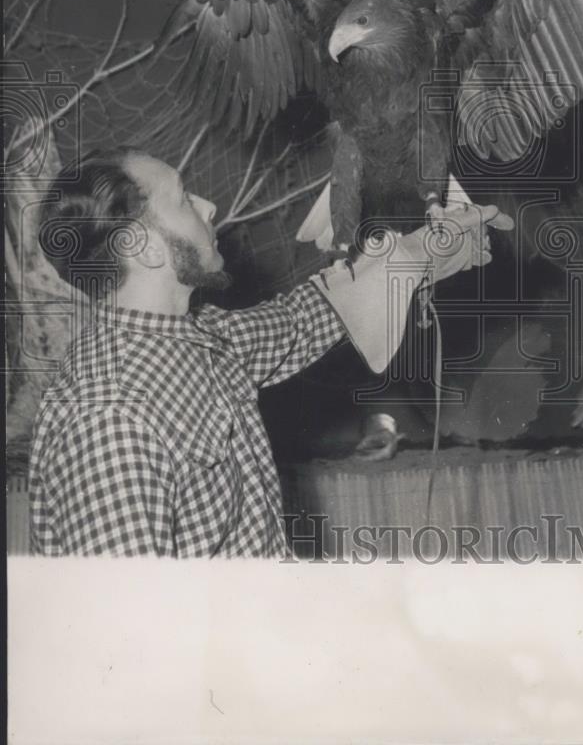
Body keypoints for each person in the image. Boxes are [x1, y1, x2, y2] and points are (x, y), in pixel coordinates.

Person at [29, 147, 504, 557]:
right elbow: (132, 647)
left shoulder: (203, 342)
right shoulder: (108, 422)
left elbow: (306, 317)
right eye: (183, 198)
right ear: (144, 248)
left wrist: (423, 252)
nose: (209, 206)